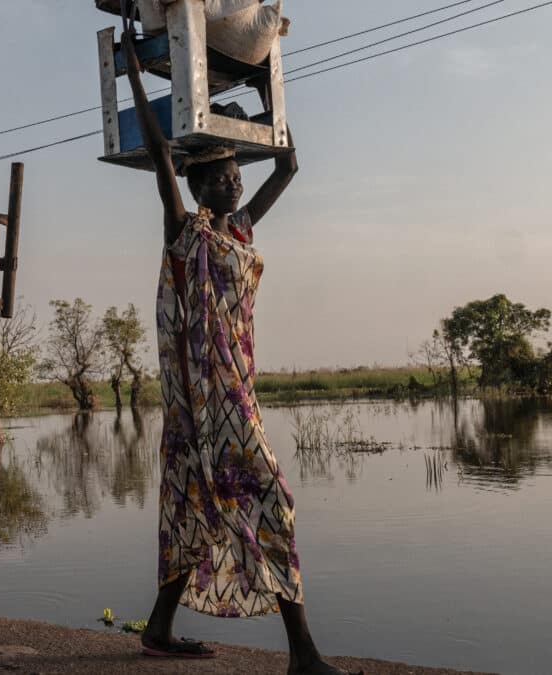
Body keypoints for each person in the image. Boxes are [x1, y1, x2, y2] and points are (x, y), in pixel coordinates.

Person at [118, 28, 357, 675]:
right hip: (207, 408)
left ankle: (160, 628)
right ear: (199, 188)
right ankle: (303, 655)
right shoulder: (185, 233)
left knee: (195, 513)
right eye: (222, 176)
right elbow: (163, 160)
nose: (232, 181)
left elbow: (287, 166)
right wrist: (139, 76)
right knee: (272, 502)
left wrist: (272, 99)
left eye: (232, 174)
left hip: (234, 394)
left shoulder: (241, 231)